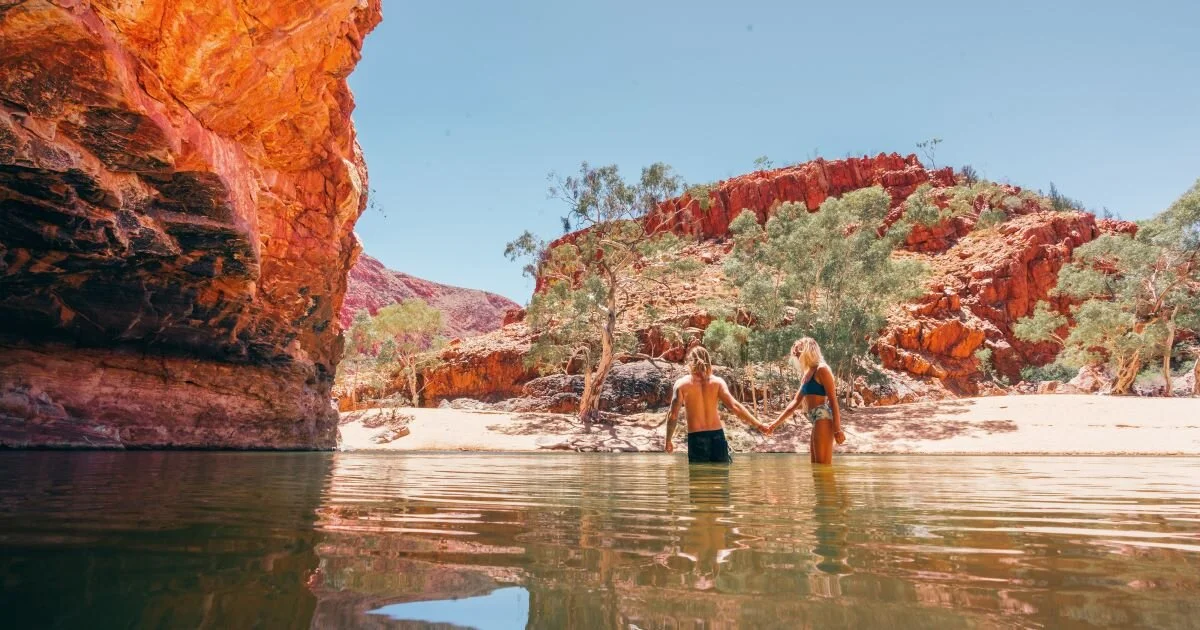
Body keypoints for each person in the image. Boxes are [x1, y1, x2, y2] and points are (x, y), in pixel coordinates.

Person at [665, 346, 768, 462]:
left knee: (698, 479)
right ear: (709, 361)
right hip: (717, 436)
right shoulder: (718, 382)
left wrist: (668, 440)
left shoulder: (681, 384)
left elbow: (673, 415)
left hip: (696, 438)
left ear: (690, 362)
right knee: (721, 477)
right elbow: (735, 406)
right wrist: (759, 425)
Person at [767, 337, 845, 464]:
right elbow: (794, 403)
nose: (796, 356)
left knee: (822, 467)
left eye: (798, 353)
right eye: (795, 354)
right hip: (815, 419)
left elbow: (833, 401)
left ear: (807, 351)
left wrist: (837, 429)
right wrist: (774, 424)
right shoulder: (807, 374)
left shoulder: (822, 369)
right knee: (815, 467)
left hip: (823, 418)